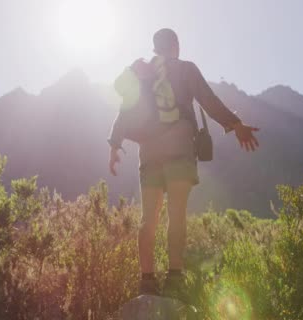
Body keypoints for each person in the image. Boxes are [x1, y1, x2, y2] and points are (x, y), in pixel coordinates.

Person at [108, 28, 259, 298]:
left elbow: (125, 108)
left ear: (155, 49)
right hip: (178, 148)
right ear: (175, 45)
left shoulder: (142, 72)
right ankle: (174, 278)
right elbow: (208, 100)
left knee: (148, 219)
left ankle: (146, 280)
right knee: (176, 214)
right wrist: (235, 125)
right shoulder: (186, 69)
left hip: (149, 152)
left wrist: (114, 144)